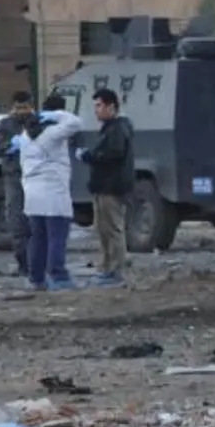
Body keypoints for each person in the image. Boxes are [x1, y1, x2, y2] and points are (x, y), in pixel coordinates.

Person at [18, 96, 82, 292]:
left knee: (38, 238)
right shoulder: (53, 133)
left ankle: (36, 278)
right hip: (53, 192)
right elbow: (75, 122)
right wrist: (55, 114)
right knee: (56, 236)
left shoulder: (25, 136)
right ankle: (58, 276)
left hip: (32, 193)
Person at [78, 88, 134, 287]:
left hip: (112, 188)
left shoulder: (118, 128)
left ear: (111, 106)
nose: (96, 110)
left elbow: (114, 154)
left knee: (113, 230)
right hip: (103, 187)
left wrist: (90, 156)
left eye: (99, 105)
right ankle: (107, 268)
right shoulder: (109, 128)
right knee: (103, 230)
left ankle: (116, 271)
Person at [0, 91, 33, 276]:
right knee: (16, 221)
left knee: (35, 222)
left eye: (26, 107)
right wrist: (9, 147)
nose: (22, 111)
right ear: (13, 107)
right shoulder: (7, 124)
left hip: (34, 177)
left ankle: (36, 264)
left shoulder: (36, 122)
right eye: (19, 107)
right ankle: (23, 264)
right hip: (14, 177)